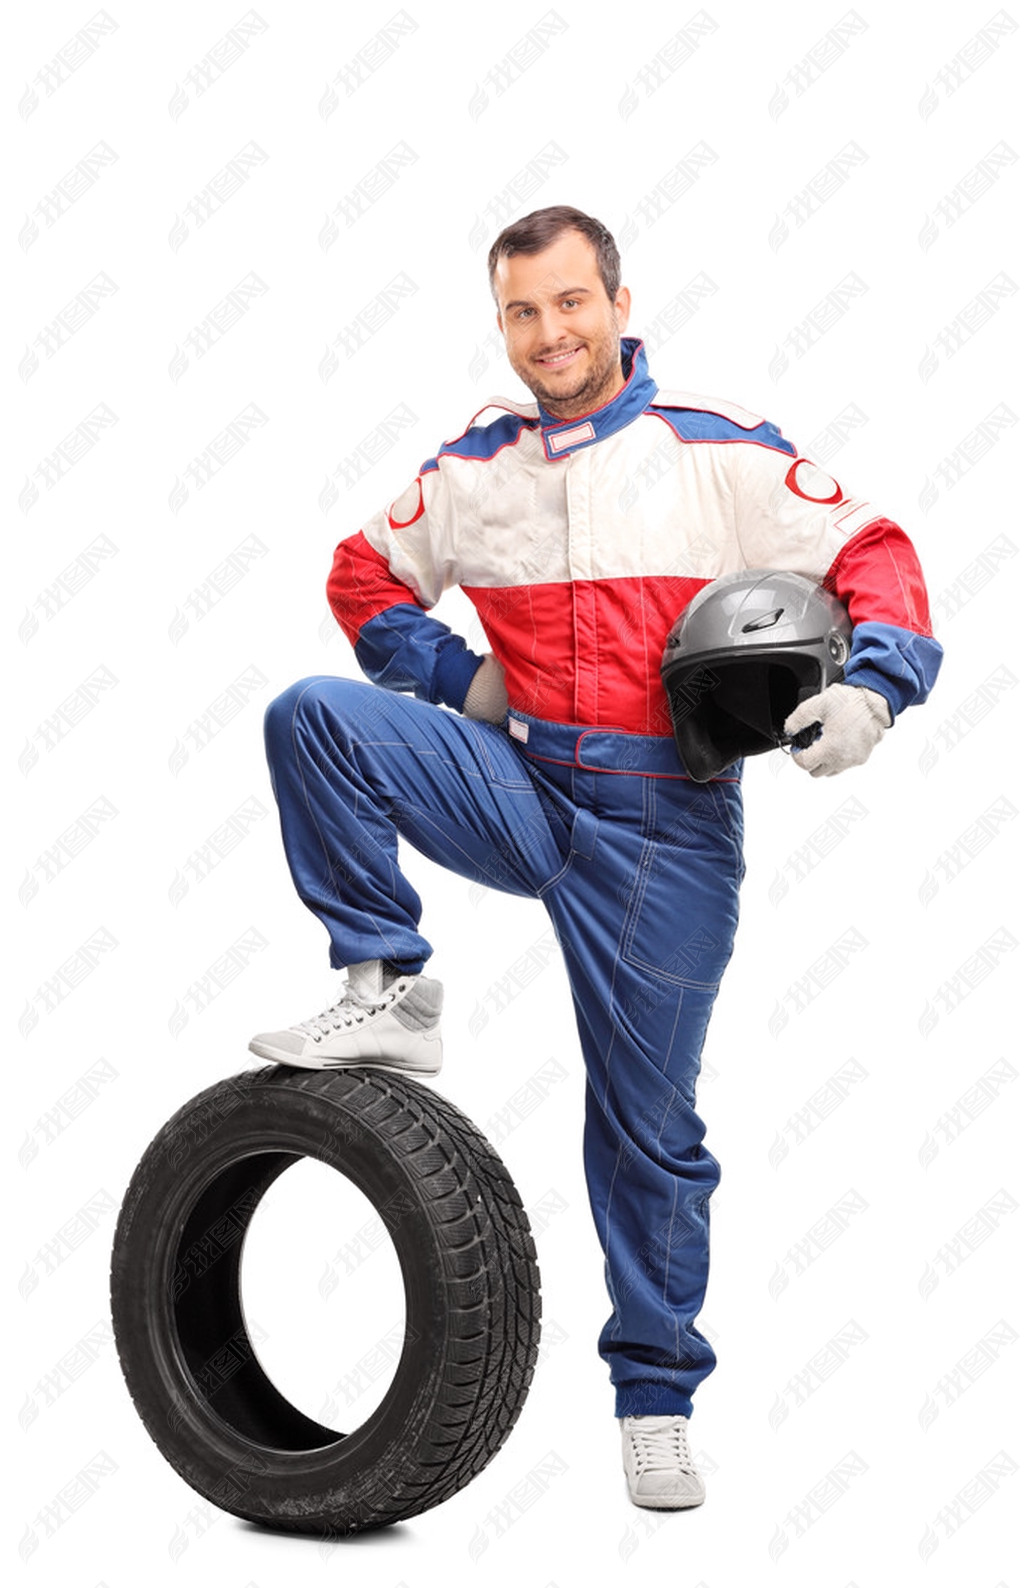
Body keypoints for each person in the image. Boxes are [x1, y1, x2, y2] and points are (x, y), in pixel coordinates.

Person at [249, 206, 942, 1510]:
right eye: (522, 311)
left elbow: (875, 559)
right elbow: (362, 575)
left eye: (572, 303)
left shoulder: (715, 447)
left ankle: (657, 1396)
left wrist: (873, 690)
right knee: (314, 718)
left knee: (647, 1130)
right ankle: (387, 983)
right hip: (519, 781)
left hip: (662, 825)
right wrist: (458, 676)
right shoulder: (477, 465)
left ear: (621, 303)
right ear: (501, 321)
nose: (549, 333)